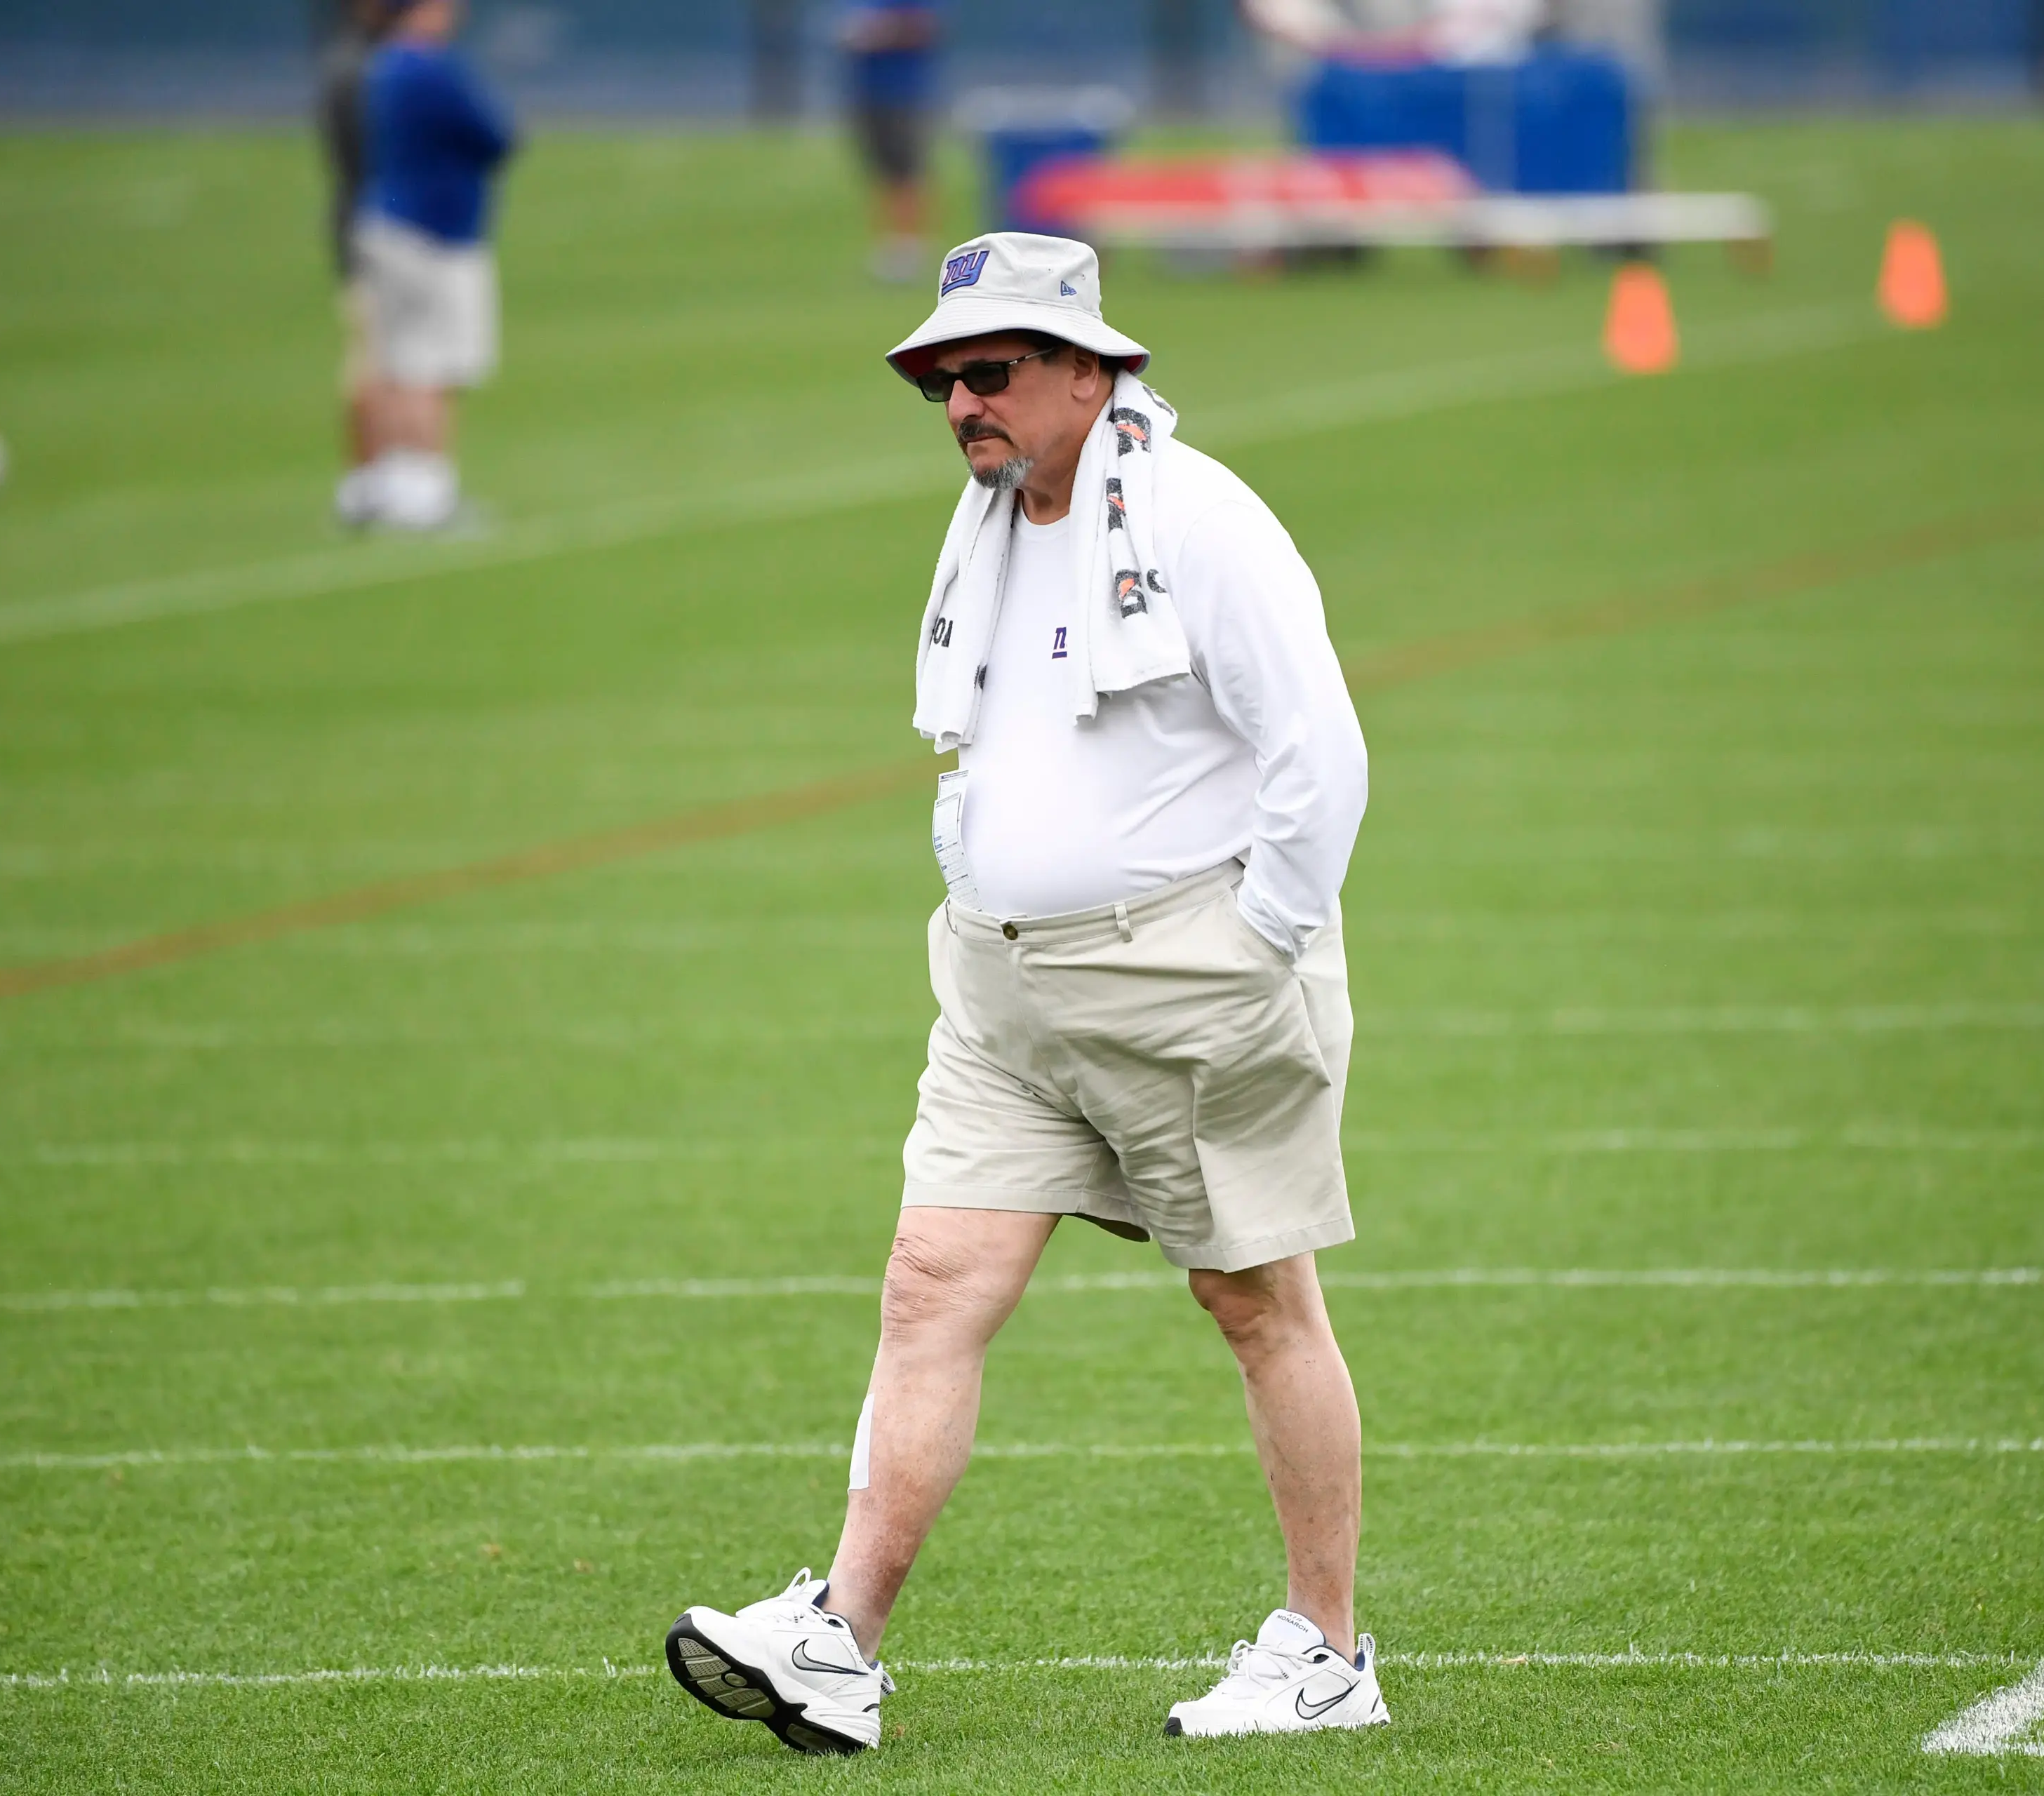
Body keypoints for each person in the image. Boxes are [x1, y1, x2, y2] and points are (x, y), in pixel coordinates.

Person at [663, 234, 1382, 1754]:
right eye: (940, 377)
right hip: (1000, 987)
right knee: (930, 1284)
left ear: (1087, 369)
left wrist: (1262, 944)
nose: (960, 404)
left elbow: (1321, 748)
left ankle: (1329, 1647)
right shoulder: (989, 517)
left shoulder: (1200, 517)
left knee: (1255, 1302)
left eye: (990, 372)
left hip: (1189, 976)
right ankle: (840, 1636)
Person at [340, 0, 516, 531]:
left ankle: (386, 484)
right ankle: (425, 491)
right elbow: (496, 136)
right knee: (428, 366)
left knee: (393, 360)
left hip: (387, 223)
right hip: (432, 232)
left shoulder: (383, 64)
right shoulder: (428, 68)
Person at [317, 0, 385, 488]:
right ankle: (366, 479)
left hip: (365, 224)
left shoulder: (357, 62)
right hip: (373, 231)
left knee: (381, 359)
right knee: (375, 361)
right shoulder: (358, 68)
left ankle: (377, 476)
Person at [839, 0, 940, 284]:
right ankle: (889, 244)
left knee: (906, 169)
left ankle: (911, 248)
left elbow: (927, 27)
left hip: (903, 92)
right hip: (867, 89)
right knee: (880, 170)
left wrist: (882, 31)